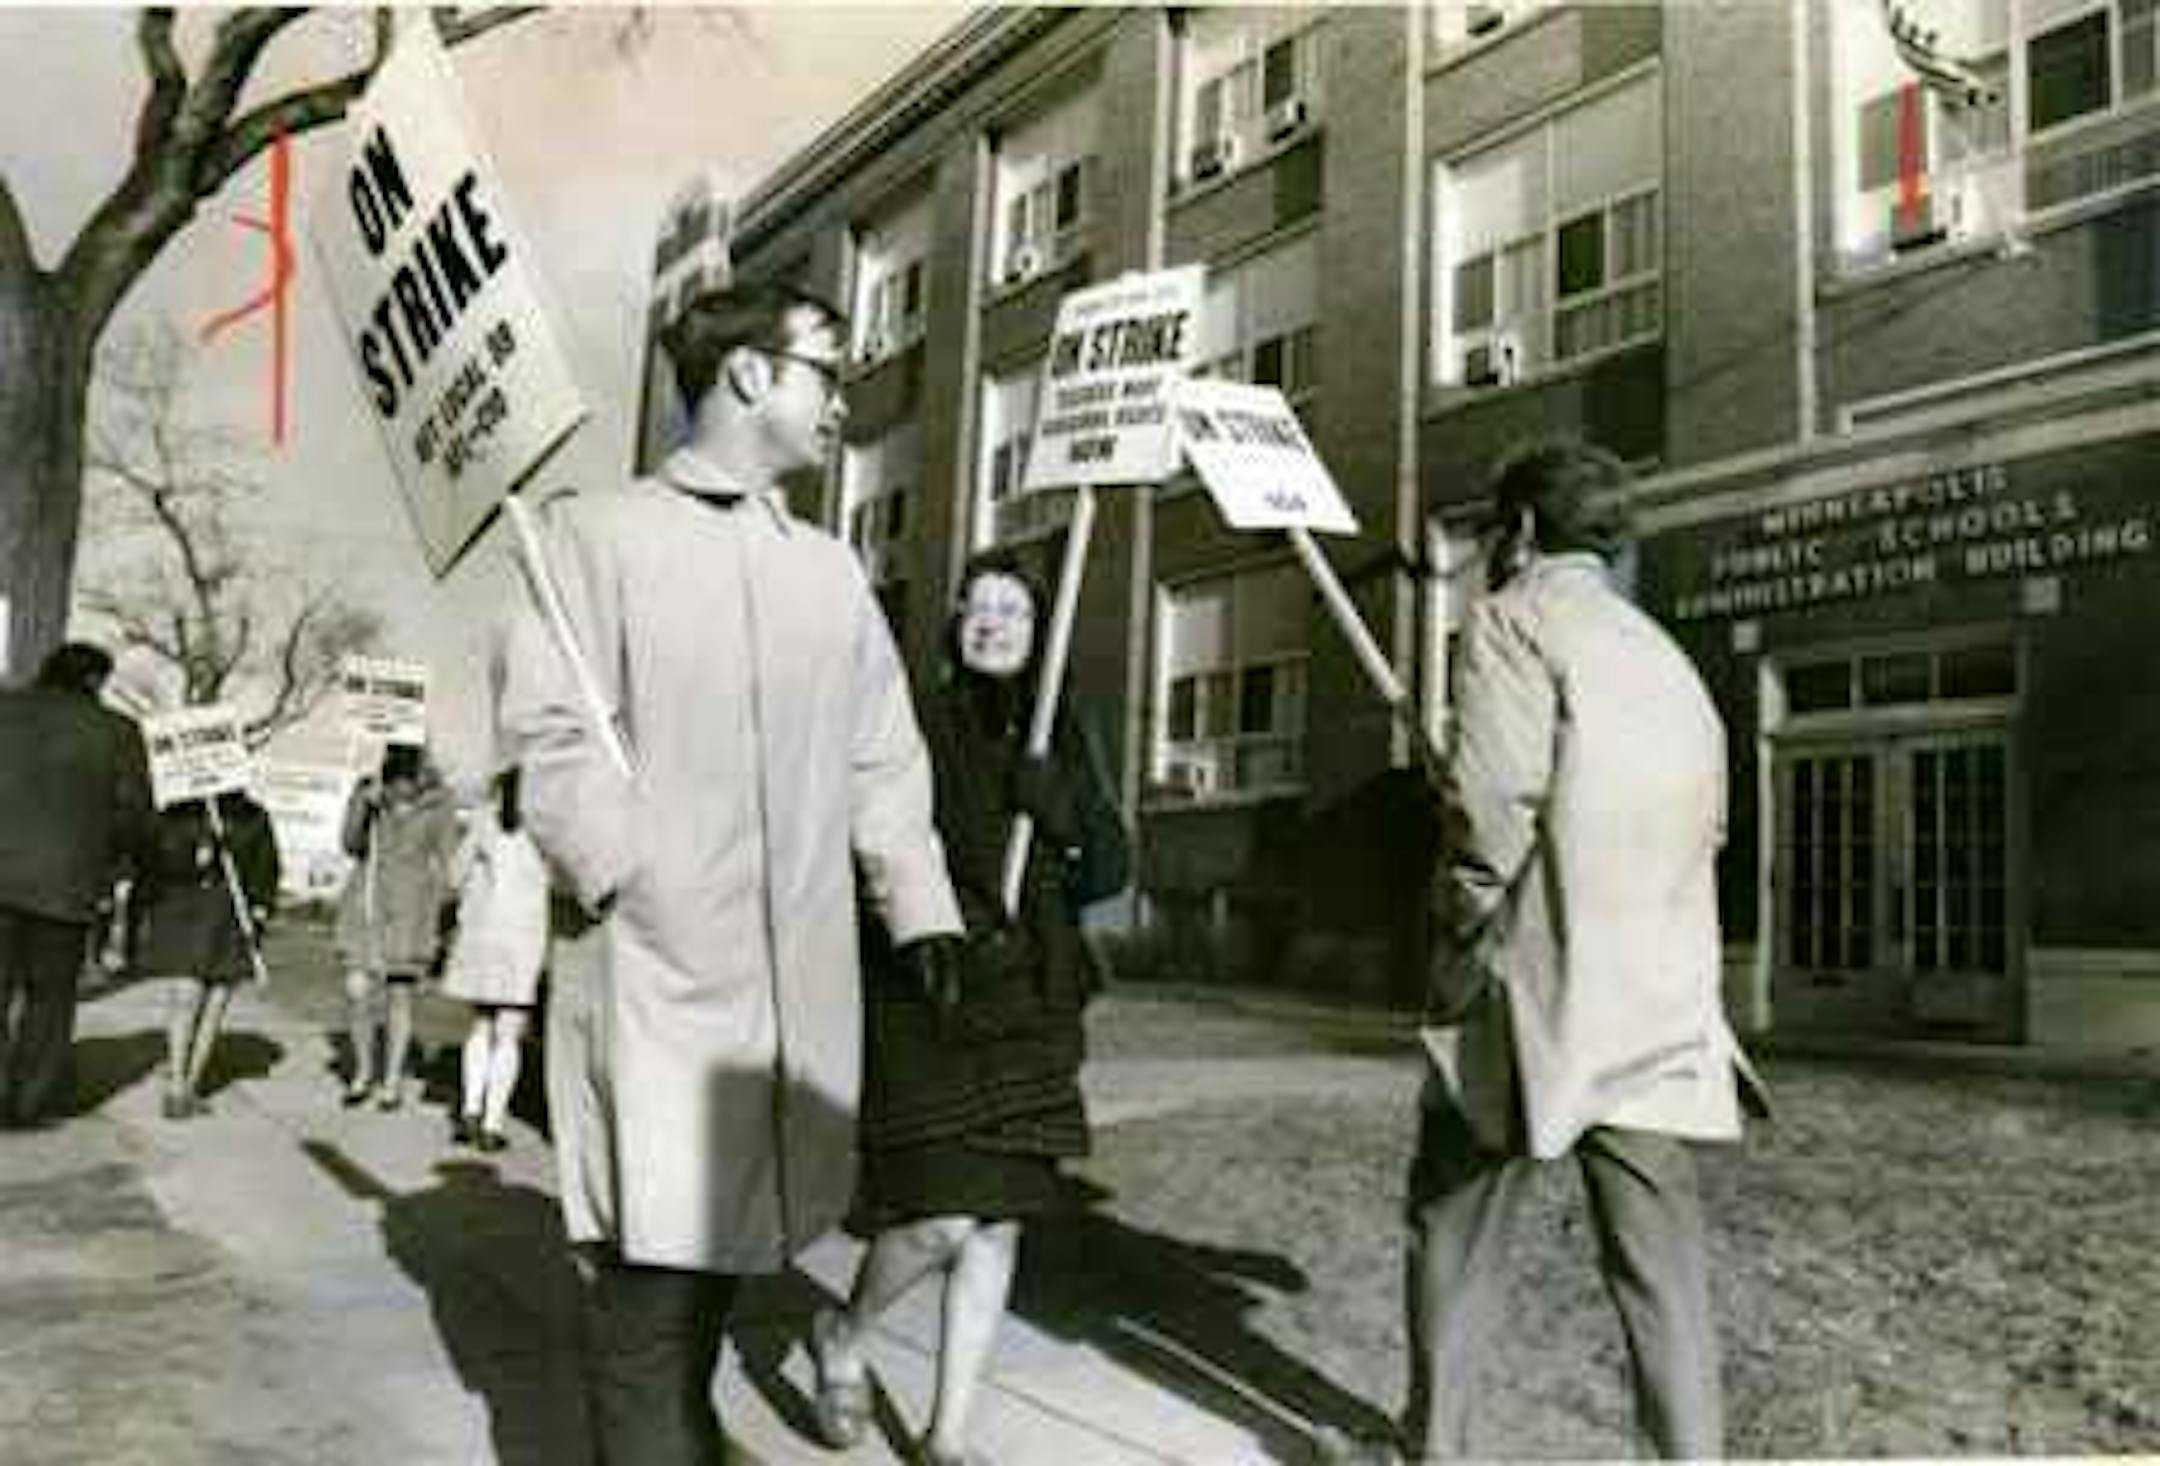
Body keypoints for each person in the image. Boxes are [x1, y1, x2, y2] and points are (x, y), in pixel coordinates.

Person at [497, 279, 963, 1465]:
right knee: (649, 1299)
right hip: (653, 978)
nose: (843, 401)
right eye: (828, 369)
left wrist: (921, 912)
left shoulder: (829, 572)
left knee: (713, 1283)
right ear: (748, 373)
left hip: (789, 995)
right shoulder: (590, 536)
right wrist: (632, 874)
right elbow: (548, 738)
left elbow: (882, 757)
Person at [1397, 440, 1767, 1463]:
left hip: (1532, 989)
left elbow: (1492, 812)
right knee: (1659, 1262)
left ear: (1519, 532)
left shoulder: (1511, 620)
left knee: (1453, 1219)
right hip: (1658, 1002)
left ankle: (1438, 1447)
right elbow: (1715, 826)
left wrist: (1463, 917)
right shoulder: (1665, 652)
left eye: (1492, 536)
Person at [806, 552, 1129, 1466]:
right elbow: (866, 841)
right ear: (955, 623)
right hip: (933, 993)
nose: (994, 624)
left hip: (1030, 999)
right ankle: (847, 1332)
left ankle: (948, 1439)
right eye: (979, 609)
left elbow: (1110, 866)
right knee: (943, 1217)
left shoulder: (1055, 728)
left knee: (997, 1224)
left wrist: (1057, 807)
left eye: (1014, 613)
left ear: (1037, 635)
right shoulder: (913, 719)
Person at [0, 642, 153, 1129]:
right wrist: (106, 856)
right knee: (49, 1000)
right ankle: (28, 1101)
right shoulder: (117, 732)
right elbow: (135, 816)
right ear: (95, 681)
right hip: (66, 887)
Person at [135, 789, 281, 1119]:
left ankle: (191, 1085)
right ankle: (175, 1086)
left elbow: (267, 868)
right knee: (186, 997)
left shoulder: (254, 816)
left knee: (215, 1004)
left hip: (231, 918)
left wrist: (260, 906)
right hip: (188, 913)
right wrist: (194, 852)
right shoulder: (182, 812)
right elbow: (156, 859)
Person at [334, 743, 459, 1111]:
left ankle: (391, 1082)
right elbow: (350, 844)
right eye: (398, 777)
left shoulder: (440, 802)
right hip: (367, 904)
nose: (403, 785)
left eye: (411, 776)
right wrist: (364, 807)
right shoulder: (368, 790)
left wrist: (444, 905)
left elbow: (449, 856)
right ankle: (362, 1073)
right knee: (358, 993)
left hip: (410, 910)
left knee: (399, 997)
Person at [439, 768, 547, 1153]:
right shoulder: (547, 824)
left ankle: (469, 1110)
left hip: (483, 935)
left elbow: (453, 876)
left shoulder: (484, 820)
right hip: (526, 938)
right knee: (509, 1034)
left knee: (481, 1027)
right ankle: (493, 1122)